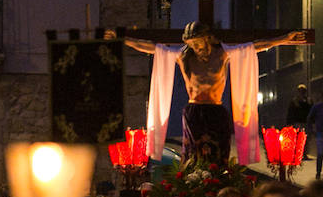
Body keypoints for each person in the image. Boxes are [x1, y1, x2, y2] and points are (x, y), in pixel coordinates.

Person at [121, 23, 304, 162]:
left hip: (216, 110)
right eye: (192, 44)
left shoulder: (223, 54)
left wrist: (284, 39)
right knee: (194, 153)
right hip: (194, 110)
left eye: (198, 42)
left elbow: (255, 46)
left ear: (207, 38)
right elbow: (151, 48)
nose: (196, 47)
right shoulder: (183, 56)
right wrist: (122, 39)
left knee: (219, 152)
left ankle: (217, 180)